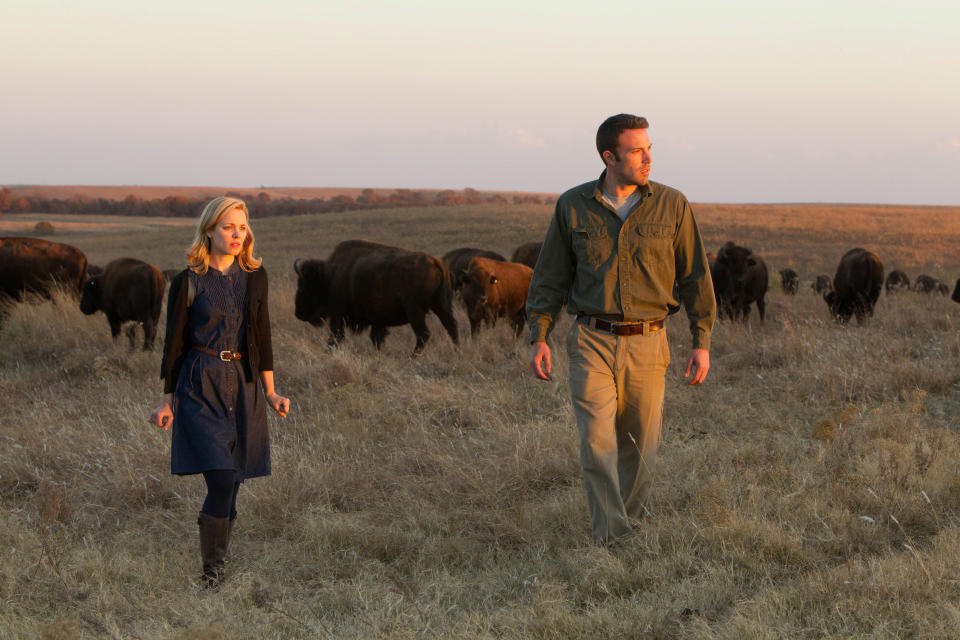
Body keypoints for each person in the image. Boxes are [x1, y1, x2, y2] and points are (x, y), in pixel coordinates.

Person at [526, 114, 715, 545]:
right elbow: (550, 276)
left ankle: (625, 529)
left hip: (650, 340)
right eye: (636, 150)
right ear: (609, 157)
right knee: (597, 445)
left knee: (640, 447)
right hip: (591, 339)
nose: (648, 158)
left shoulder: (673, 204)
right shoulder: (572, 205)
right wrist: (539, 334)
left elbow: (695, 278)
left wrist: (701, 340)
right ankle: (612, 540)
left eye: (649, 148)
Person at [150, 196, 290, 587]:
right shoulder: (188, 280)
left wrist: (272, 393)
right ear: (209, 229)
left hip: (244, 384)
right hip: (200, 382)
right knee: (222, 479)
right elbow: (173, 343)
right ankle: (212, 575)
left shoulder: (256, 277)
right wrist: (167, 400)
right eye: (228, 226)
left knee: (235, 480)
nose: (236, 234)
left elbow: (262, 336)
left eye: (242, 227)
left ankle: (218, 561)